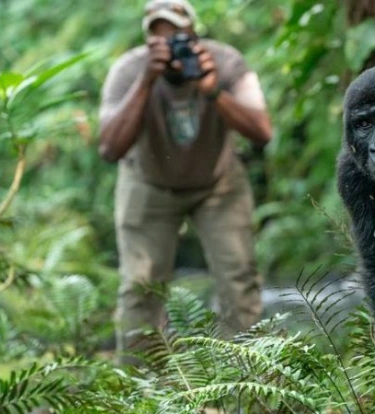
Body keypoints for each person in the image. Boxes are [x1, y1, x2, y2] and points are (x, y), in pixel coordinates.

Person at [98, 0, 272, 365]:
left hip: (217, 182)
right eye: (159, 41)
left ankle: (248, 386)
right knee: (140, 288)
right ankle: (136, 391)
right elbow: (109, 148)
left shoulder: (226, 63)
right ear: (148, 43)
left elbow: (262, 131)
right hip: (148, 182)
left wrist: (213, 91)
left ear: (194, 35)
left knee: (239, 281)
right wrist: (147, 80)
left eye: (177, 37)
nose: (171, 48)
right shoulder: (129, 70)